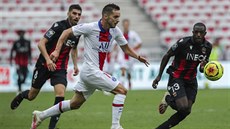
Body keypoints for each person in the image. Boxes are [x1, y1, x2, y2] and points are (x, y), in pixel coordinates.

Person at [30, 3, 149, 129]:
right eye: (115, 16)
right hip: (90, 71)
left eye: (118, 16)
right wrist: (57, 50)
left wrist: (138, 57)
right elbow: (65, 32)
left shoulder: (115, 31)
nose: (117, 19)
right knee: (122, 91)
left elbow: (125, 48)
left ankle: (41, 115)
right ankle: (115, 126)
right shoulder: (90, 27)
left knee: (75, 103)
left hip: (93, 73)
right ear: (105, 16)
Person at [10, 4, 82, 129]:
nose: (76, 16)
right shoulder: (58, 26)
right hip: (44, 64)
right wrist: (48, 60)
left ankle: (51, 127)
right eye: (74, 13)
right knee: (32, 96)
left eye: (79, 14)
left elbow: (74, 49)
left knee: (60, 94)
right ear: (68, 13)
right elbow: (41, 43)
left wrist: (75, 65)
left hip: (60, 68)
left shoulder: (77, 32)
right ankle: (22, 95)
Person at [152, 22, 212, 129]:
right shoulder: (183, 43)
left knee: (186, 110)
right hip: (177, 77)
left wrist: (204, 67)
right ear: (192, 32)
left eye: (201, 32)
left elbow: (202, 69)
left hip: (191, 80)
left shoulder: (207, 47)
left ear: (205, 33)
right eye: (196, 32)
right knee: (182, 106)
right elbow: (167, 55)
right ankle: (168, 98)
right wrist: (159, 76)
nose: (198, 34)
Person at [118, 19, 142, 90]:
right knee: (123, 69)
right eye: (125, 24)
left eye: (127, 24)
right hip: (122, 54)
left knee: (129, 72)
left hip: (130, 56)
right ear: (123, 25)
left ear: (128, 25)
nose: (126, 26)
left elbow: (139, 43)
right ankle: (122, 86)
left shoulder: (133, 34)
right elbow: (115, 44)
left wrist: (133, 49)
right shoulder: (119, 34)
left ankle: (129, 84)